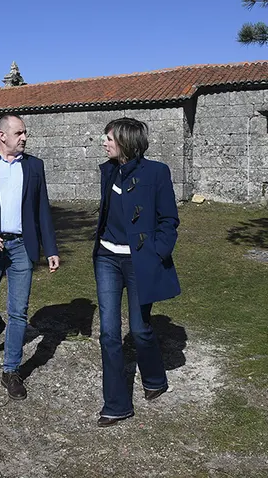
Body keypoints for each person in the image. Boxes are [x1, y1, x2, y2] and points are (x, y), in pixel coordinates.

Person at [0, 113, 60, 400]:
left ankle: (11, 370)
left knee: (19, 311)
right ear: (2, 136)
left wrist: (51, 249)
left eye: (25, 132)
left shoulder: (34, 167)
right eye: (19, 133)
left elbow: (43, 210)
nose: (25, 137)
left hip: (21, 247)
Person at [93, 117, 181, 427]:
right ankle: (116, 404)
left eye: (109, 139)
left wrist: (156, 253)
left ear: (127, 143)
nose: (104, 143)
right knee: (108, 332)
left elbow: (168, 221)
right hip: (106, 258)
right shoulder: (108, 171)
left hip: (139, 261)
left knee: (140, 329)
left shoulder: (156, 173)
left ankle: (155, 378)